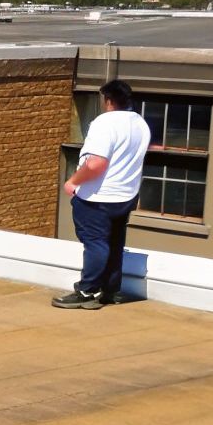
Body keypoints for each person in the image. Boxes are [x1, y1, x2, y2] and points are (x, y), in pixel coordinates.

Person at [56, 79, 152, 310]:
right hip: (126, 195)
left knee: (96, 243)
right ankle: (111, 290)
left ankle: (88, 291)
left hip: (98, 197)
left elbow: (96, 163)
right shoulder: (140, 123)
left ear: (108, 101)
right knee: (115, 241)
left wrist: (73, 181)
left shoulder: (104, 123)